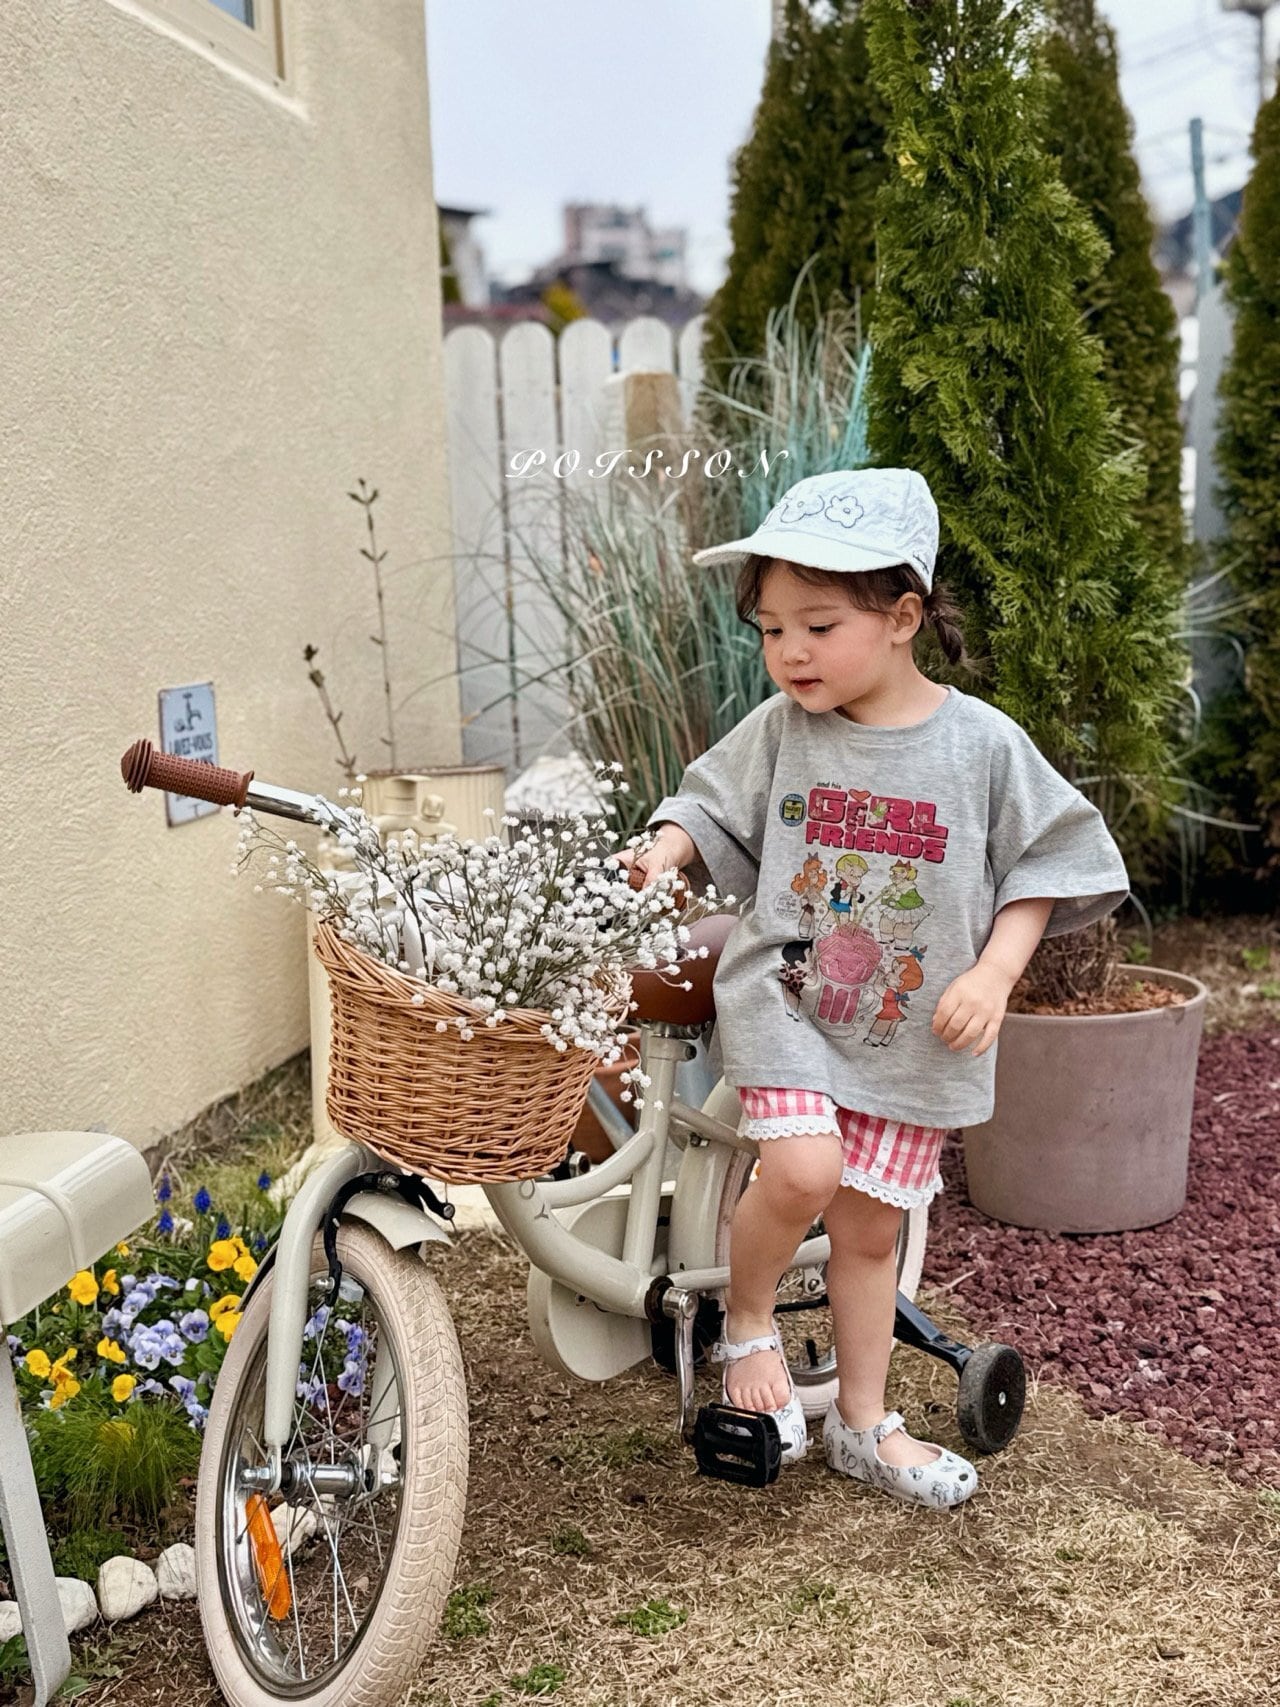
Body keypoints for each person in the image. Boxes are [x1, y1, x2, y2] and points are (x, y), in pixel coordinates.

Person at [612, 467, 1130, 1509]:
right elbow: (709, 800)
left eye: (817, 626)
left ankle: (862, 1421)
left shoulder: (981, 744)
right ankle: (747, 1323)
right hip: (790, 1000)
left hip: (911, 1031)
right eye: (770, 630)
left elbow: (1045, 858)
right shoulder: (782, 730)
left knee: (867, 1234)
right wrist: (665, 848)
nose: (789, 653)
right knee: (803, 1171)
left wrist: (995, 971)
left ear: (901, 617)